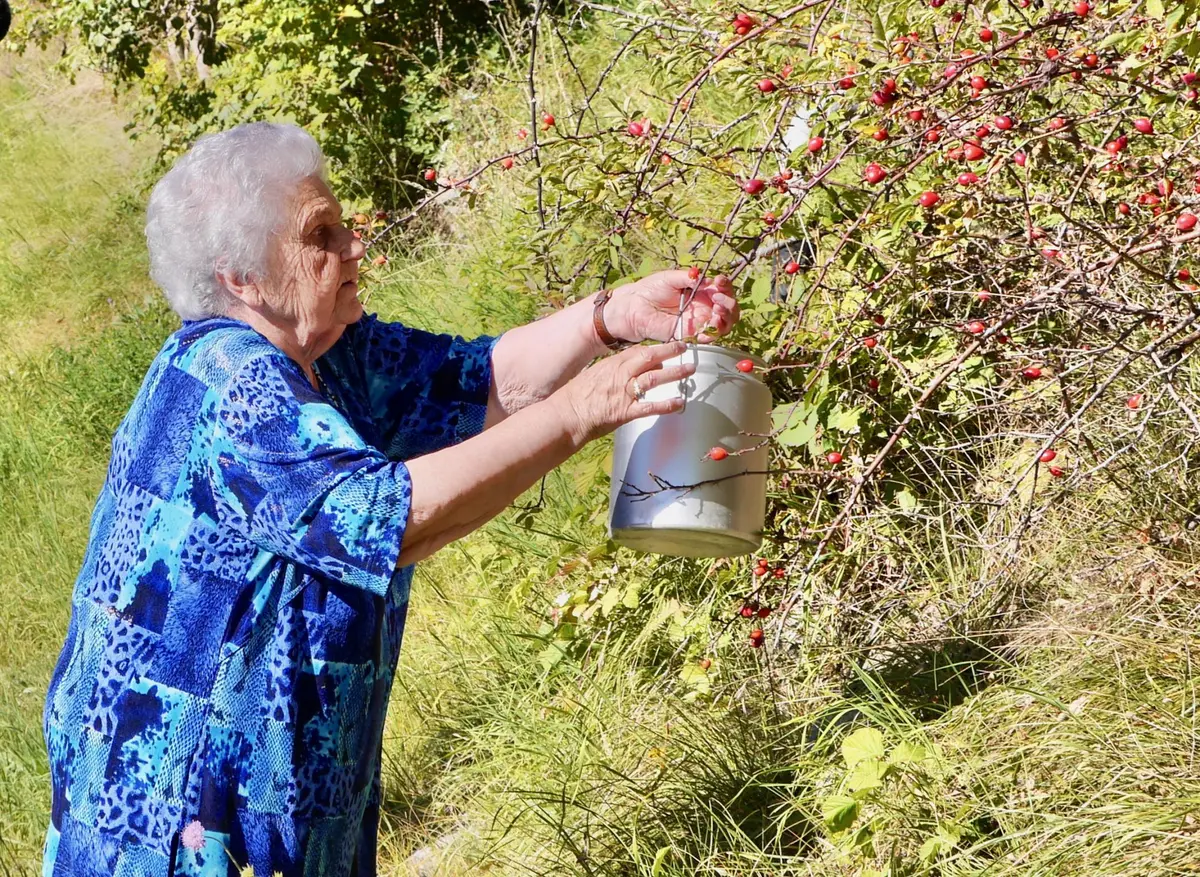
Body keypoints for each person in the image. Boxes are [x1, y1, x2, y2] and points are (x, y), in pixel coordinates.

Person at [41, 121, 739, 876]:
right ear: (241, 276)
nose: (354, 247)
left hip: (289, 803)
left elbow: (477, 381)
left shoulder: (327, 351)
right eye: (322, 234)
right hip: (175, 822)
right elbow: (394, 518)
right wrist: (582, 410)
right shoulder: (228, 380)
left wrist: (609, 318)